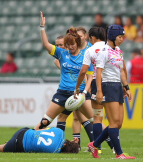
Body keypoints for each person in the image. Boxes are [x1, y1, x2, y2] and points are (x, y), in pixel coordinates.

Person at [34, 12, 93, 145]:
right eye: (67, 45)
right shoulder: (61, 53)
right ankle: (25, 137)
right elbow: (46, 44)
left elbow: (89, 76)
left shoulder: (85, 56)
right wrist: (42, 28)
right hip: (62, 93)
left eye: (72, 44)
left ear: (77, 43)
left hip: (78, 94)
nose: (69, 47)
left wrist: (84, 92)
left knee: (94, 120)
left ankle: (106, 145)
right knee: (45, 121)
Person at [87, 25, 135, 159]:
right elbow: (98, 72)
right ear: (113, 37)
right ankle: (119, 154)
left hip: (117, 87)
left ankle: (94, 144)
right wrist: (100, 92)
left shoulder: (119, 50)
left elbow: (122, 70)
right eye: (120, 37)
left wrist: (126, 87)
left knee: (119, 123)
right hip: (107, 86)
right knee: (114, 123)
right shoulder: (103, 51)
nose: (121, 39)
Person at [75, 27, 115, 154]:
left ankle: (96, 147)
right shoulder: (111, 48)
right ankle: (115, 149)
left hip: (96, 84)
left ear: (91, 37)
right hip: (112, 84)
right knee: (115, 120)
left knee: (97, 118)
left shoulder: (90, 50)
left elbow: (83, 71)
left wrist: (77, 87)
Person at [54, 27, 94, 150]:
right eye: (58, 45)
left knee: (83, 117)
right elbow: (59, 63)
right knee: (78, 117)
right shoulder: (65, 54)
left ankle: (93, 142)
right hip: (74, 88)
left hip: (85, 86)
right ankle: (85, 144)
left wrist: (87, 87)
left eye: (61, 44)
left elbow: (86, 71)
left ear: (84, 36)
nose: (60, 46)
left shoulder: (87, 50)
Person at [0, 127, 79, 153]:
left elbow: (41, 129)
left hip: (24, 131)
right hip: (20, 144)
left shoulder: (59, 132)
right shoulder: (54, 151)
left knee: (5, 144)